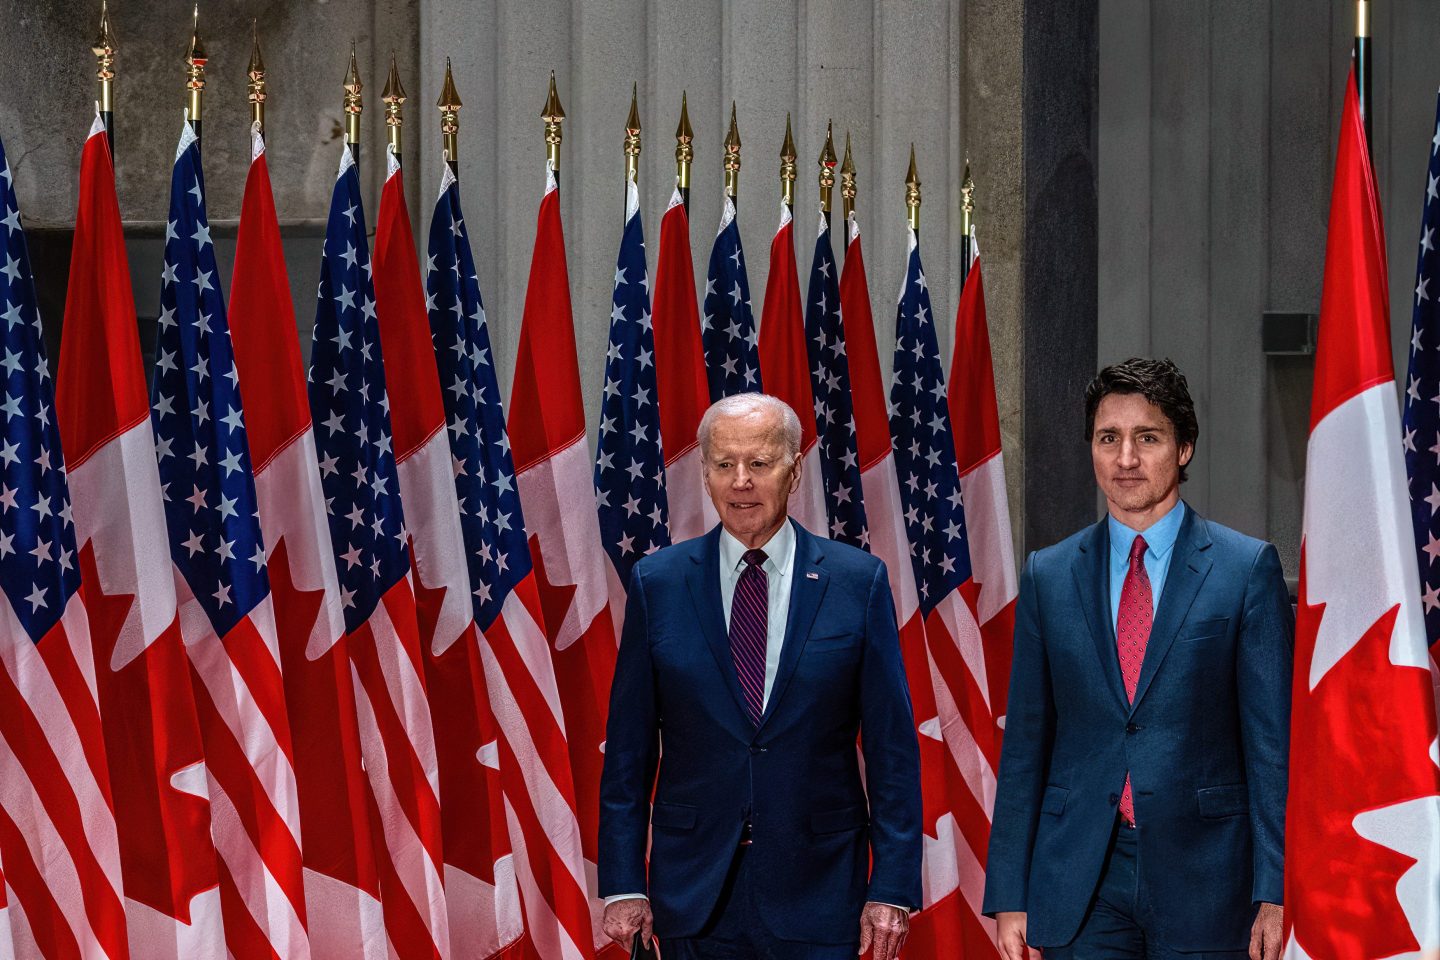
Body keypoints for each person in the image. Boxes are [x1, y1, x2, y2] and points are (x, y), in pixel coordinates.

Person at [983, 358, 1293, 960]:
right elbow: (1025, 744)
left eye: (1146, 437)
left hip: (1209, 877)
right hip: (1081, 875)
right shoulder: (1049, 573)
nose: (1126, 458)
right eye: (1109, 439)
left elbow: (1271, 746)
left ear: (1183, 449)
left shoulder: (1245, 569)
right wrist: (1010, 892)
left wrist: (1275, 889)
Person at [598, 393, 922, 960]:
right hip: (693, 895)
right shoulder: (658, 583)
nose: (741, 481)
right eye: (724, 465)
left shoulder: (857, 582)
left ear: (794, 471)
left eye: (760, 463)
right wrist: (623, 883)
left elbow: (893, 750)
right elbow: (628, 754)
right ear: (705, 474)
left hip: (820, 889)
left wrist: (892, 886)